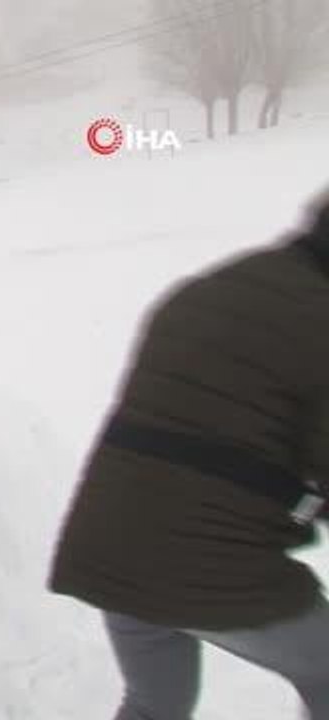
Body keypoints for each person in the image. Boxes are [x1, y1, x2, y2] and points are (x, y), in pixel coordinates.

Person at [49, 195, 329, 719]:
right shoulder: (319, 320)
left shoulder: (210, 290)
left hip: (111, 548)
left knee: (156, 705)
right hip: (209, 568)